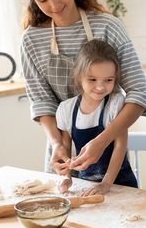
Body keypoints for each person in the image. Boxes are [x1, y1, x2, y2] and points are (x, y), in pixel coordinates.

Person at [19, 0, 146, 175]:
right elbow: (42, 102)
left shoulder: (108, 27)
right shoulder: (31, 40)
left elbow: (139, 94)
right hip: (61, 156)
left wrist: (102, 141)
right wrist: (57, 144)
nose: (53, 4)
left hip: (108, 151)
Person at [55, 39, 138, 195]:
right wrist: (66, 177)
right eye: (92, 79)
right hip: (87, 186)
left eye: (108, 80)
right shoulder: (66, 109)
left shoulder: (115, 103)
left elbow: (120, 148)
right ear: (79, 76)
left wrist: (106, 184)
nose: (100, 87)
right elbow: (66, 150)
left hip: (120, 185)